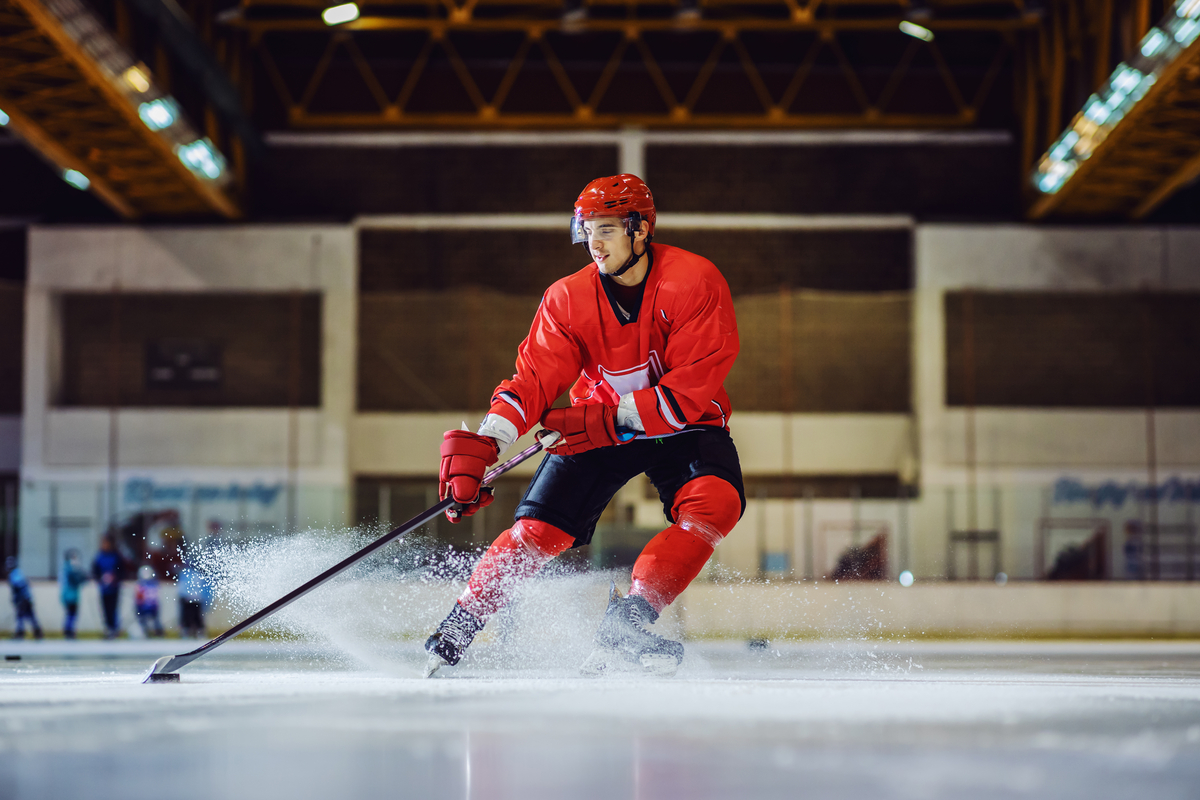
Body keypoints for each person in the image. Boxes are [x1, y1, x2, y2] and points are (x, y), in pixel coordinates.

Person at [424, 174, 744, 677]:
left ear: (641, 231)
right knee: (537, 531)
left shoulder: (694, 281)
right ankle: (461, 623)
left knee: (715, 502)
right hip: (595, 425)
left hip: (681, 423)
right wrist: (490, 439)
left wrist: (612, 417)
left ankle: (629, 621)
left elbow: (693, 382)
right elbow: (533, 377)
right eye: (586, 229)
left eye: (608, 229)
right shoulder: (566, 299)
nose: (593, 242)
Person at [91, 535, 127, 639]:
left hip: (114, 588)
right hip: (104, 589)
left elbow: (122, 570)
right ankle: (108, 628)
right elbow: (95, 571)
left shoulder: (116, 556)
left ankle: (114, 628)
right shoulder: (99, 557)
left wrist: (115, 578)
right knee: (105, 609)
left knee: (113, 609)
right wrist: (100, 578)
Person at [6, 556, 43, 640]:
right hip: (27, 598)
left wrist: (18, 599)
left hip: (23, 599)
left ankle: (20, 633)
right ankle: (37, 632)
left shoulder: (14, 574)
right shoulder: (19, 572)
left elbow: (18, 585)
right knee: (30, 616)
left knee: (20, 616)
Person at [177, 559, 211, 639]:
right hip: (193, 599)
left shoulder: (186, 573)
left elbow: (181, 587)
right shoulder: (196, 574)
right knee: (191, 617)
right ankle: (192, 632)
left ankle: (197, 632)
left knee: (195, 617)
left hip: (192, 599)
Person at [59, 549, 88, 639]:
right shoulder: (70, 569)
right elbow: (77, 579)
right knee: (71, 614)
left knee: (70, 614)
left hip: (69, 595)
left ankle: (69, 630)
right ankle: (69, 631)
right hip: (70, 596)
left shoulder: (66, 568)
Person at [134, 565, 165, 637]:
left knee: (155, 620)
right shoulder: (139, 584)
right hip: (142, 607)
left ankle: (158, 632)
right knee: (142, 619)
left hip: (152, 607)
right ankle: (145, 631)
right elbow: (138, 598)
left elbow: (156, 596)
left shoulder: (154, 584)